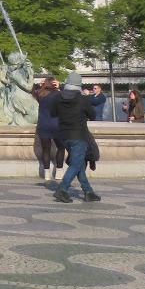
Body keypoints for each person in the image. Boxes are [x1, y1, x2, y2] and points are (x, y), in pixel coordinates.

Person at [53, 72, 101, 203]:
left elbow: (53, 113)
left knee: (78, 163)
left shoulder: (58, 97)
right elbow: (93, 115)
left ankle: (88, 191)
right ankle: (62, 189)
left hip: (63, 135)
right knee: (76, 163)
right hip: (78, 135)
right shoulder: (82, 99)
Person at [34, 76, 64, 184]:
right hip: (56, 124)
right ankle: (59, 172)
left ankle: (47, 174)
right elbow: (67, 98)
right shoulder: (58, 94)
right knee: (61, 147)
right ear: (54, 84)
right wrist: (61, 87)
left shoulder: (40, 94)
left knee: (45, 149)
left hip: (43, 124)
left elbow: (32, 91)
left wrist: (40, 85)